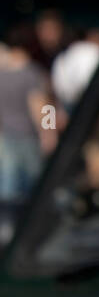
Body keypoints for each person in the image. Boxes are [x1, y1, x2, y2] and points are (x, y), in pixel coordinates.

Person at [0, 27, 55, 203]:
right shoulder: (32, 73)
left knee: (9, 182)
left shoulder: (2, 75)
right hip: (28, 133)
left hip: (6, 134)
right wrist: (49, 131)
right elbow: (43, 106)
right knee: (37, 183)